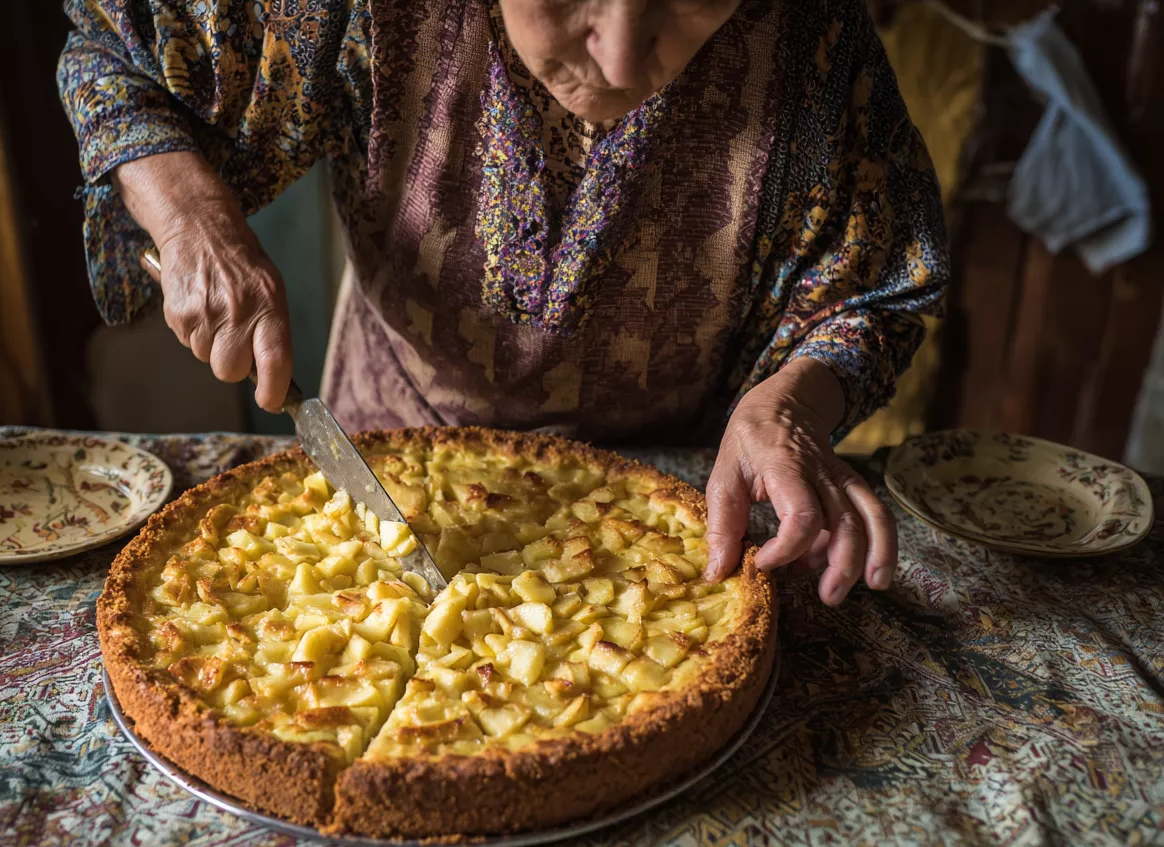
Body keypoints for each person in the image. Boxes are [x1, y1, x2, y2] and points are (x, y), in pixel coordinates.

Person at [57, 0, 949, 606]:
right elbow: (109, 51)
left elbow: (874, 275)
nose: (625, 55)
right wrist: (189, 217)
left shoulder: (813, 33)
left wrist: (789, 402)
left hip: (683, 525)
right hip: (391, 476)